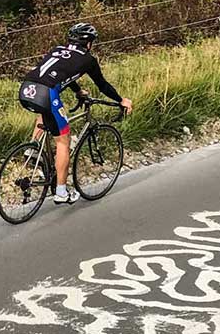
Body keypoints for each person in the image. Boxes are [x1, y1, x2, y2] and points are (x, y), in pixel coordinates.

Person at [17, 22, 133, 204]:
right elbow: (102, 85)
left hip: (26, 89)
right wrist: (121, 100)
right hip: (46, 93)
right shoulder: (88, 60)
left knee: (44, 113)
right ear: (88, 43)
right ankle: (62, 192)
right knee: (63, 140)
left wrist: (78, 91)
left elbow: (64, 72)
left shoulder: (58, 49)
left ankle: (33, 150)